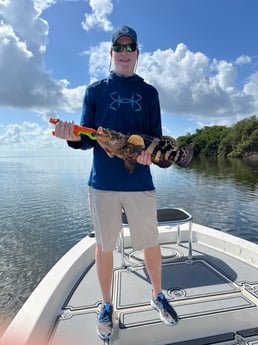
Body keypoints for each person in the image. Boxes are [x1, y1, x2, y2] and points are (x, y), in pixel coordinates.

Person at [54, 25, 178, 341]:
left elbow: (155, 136)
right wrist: (71, 136)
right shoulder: (95, 91)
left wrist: (155, 155)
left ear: (137, 53)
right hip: (102, 185)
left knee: (150, 243)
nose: (124, 53)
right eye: (118, 48)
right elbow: (86, 140)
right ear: (111, 54)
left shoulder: (150, 93)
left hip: (140, 183)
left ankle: (158, 294)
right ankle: (107, 304)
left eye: (130, 47)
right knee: (104, 245)